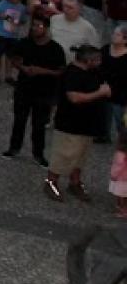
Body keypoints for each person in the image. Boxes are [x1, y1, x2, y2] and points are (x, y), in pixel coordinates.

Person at [47, 44, 110, 203]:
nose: (100, 62)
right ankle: (51, 182)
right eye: (97, 60)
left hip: (87, 124)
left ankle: (75, 183)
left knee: (80, 156)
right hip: (69, 124)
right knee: (63, 156)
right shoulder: (72, 74)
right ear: (88, 61)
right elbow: (74, 98)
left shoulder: (93, 71)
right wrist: (99, 93)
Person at [4, 15, 66, 167]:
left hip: (44, 92)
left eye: (38, 26)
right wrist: (23, 68)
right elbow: (13, 57)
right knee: (19, 120)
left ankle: (38, 153)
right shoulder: (25, 43)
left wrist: (43, 71)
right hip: (24, 88)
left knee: (39, 124)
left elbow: (61, 71)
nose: (34, 29)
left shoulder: (55, 49)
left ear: (46, 28)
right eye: (33, 25)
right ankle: (14, 148)